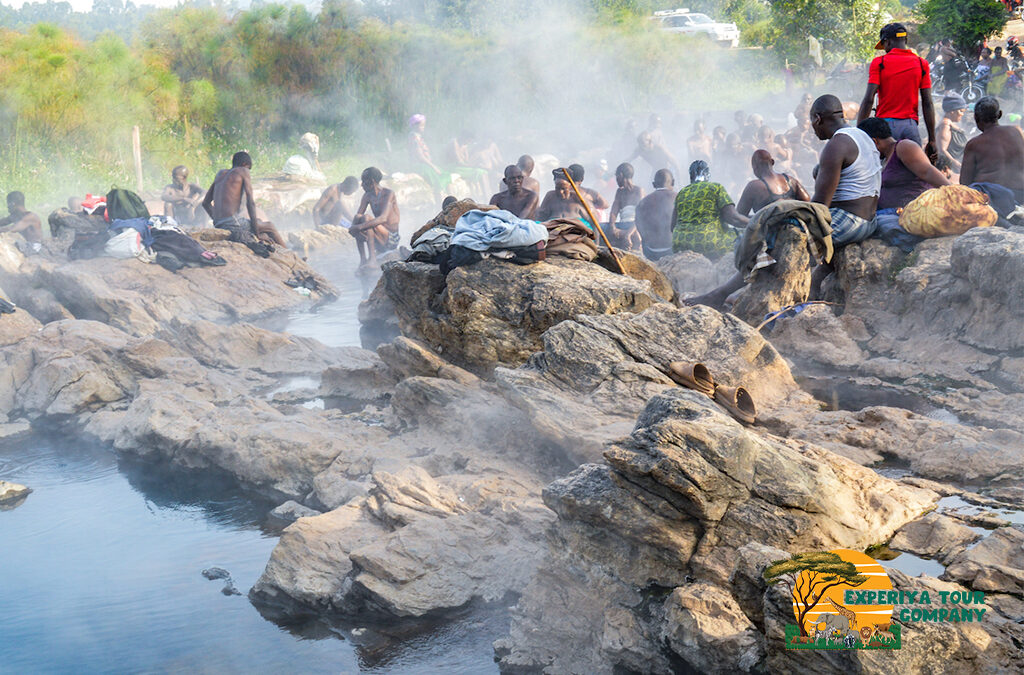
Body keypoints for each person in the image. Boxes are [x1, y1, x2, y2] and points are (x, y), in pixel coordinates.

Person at [858, 117, 950, 250]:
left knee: (872, 224)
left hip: (910, 211)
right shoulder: (883, 159)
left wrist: (956, 193)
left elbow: (927, 172)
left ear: (874, 142)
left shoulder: (904, 147)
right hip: (891, 213)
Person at [857, 23, 936, 155]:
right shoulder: (922, 63)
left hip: (885, 129)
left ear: (887, 42)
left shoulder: (880, 62)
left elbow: (869, 99)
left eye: (884, 45)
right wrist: (932, 139)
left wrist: (859, 132)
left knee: (884, 165)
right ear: (905, 40)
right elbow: (927, 102)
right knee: (914, 165)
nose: (884, 49)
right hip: (910, 127)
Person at [203, 151, 287, 248]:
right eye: (248, 168)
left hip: (218, 222)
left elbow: (205, 203)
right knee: (270, 226)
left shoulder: (220, 173)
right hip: (233, 222)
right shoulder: (243, 171)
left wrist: (217, 220)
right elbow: (250, 203)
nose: (248, 171)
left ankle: (275, 245)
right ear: (244, 164)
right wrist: (257, 234)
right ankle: (289, 254)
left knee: (259, 221)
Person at [670, 160, 748, 259]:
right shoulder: (716, 188)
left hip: (680, 244)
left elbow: (672, 227)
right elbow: (733, 218)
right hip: (710, 242)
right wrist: (754, 222)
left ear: (691, 176)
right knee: (743, 235)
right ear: (707, 174)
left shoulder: (682, 192)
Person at [960, 97, 1024, 204]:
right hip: (1020, 195)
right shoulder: (1016, 132)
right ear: (1000, 114)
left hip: (993, 200)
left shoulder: (974, 144)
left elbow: (964, 183)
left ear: (976, 117)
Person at [351, 167, 401, 267]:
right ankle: (363, 259)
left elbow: (383, 218)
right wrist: (354, 228)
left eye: (364, 181)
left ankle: (372, 259)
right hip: (379, 238)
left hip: (391, 239)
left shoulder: (388, 194)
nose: (361, 185)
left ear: (372, 181)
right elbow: (357, 217)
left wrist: (359, 227)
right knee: (358, 217)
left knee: (366, 218)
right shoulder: (367, 196)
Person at [735, 150, 810, 216]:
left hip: (771, 227)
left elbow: (739, 217)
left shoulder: (754, 186)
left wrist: (757, 218)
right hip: (797, 223)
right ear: (772, 162)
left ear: (755, 167)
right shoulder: (791, 181)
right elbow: (808, 203)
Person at [635, 169, 677, 261]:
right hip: (672, 250)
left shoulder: (643, 202)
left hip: (650, 251)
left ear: (654, 184)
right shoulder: (678, 198)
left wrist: (648, 241)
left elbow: (638, 224)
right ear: (673, 182)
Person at [607, 162, 644, 251]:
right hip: (622, 225)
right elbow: (613, 212)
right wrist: (612, 227)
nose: (616, 180)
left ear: (620, 175)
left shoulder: (639, 191)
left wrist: (628, 234)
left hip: (635, 226)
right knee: (604, 229)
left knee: (637, 235)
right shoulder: (619, 192)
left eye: (616, 176)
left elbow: (641, 217)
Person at [936, 93, 968, 175]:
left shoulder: (950, 124)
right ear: (952, 111)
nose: (962, 114)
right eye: (961, 111)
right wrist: (955, 163)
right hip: (950, 170)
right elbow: (942, 150)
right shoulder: (945, 126)